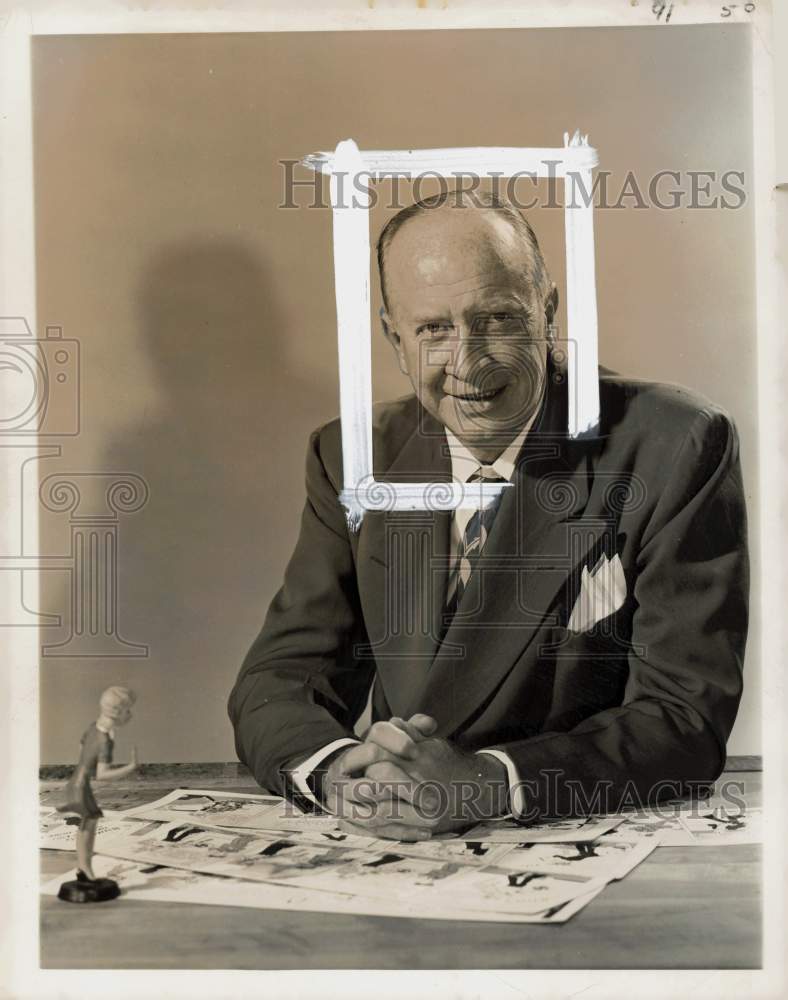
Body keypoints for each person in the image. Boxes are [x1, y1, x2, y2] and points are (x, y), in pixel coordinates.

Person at [228, 190, 748, 842]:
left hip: (573, 832)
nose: (469, 362)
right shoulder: (351, 455)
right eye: (433, 330)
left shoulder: (675, 443)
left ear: (548, 311)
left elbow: (683, 717)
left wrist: (483, 781)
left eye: (497, 319)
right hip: (395, 841)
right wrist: (341, 771)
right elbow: (281, 679)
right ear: (395, 337)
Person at [57, 685, 138, 880]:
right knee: (89, 826)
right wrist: (131, 767)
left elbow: (82, 750)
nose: (130, 714)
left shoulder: (93, 727)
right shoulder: (105, 741)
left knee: (85, 825)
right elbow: (102, 775)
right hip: (82, 786)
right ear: (117, 712)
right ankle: (85, 870)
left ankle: (83, 869)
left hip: (76, 781)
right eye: (127, 710)